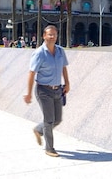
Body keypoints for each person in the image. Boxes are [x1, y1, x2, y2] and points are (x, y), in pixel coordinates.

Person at [23, 25, 71, 157]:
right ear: (44, 36)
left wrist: (67, 83)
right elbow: (32, 73)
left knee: (58, 119)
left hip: (57, 90)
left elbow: (64, 68)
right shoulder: (39, 53)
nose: (52, 37)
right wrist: (28, 93)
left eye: (54, 35)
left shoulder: (60, 51)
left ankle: (38, 130)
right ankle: (49, 148)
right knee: (49, 120)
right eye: (50, 34)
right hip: (43, 90)